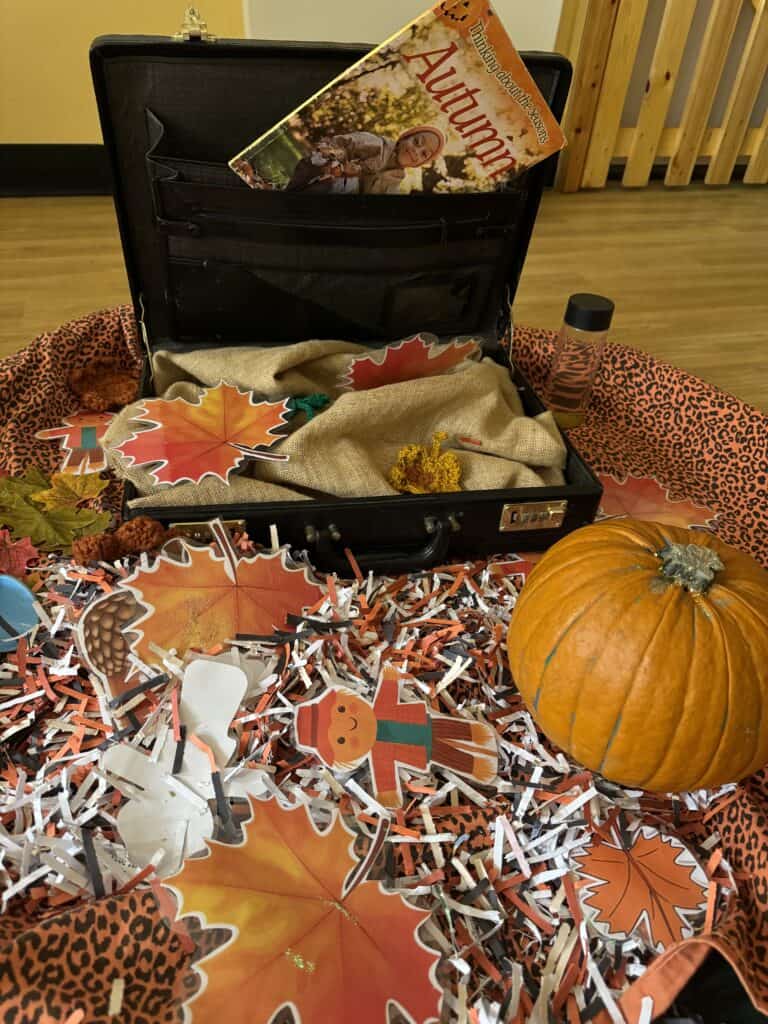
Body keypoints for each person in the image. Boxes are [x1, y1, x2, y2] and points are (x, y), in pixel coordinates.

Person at [295, 667, 498, 807]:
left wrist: (390, 678)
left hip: (425, 723)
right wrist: (388, 796)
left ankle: (479, 736)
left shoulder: (379, 710)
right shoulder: (378, 754)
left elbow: (387, 694)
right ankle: (480, 768)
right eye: (341, 740)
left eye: (341, 710)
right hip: (421, 751)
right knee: (448, 757)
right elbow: (384, 776)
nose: (349, 723)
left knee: (453, 729)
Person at [285, 125, 446, 194]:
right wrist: (336, 155)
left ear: (420, 164)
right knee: (347, 181)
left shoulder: (396, 180)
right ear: (404, 138)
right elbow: (340, 145)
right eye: (417, 142)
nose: (416, 151)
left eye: (424, 154)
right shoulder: (376, 144)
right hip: (323, 174)